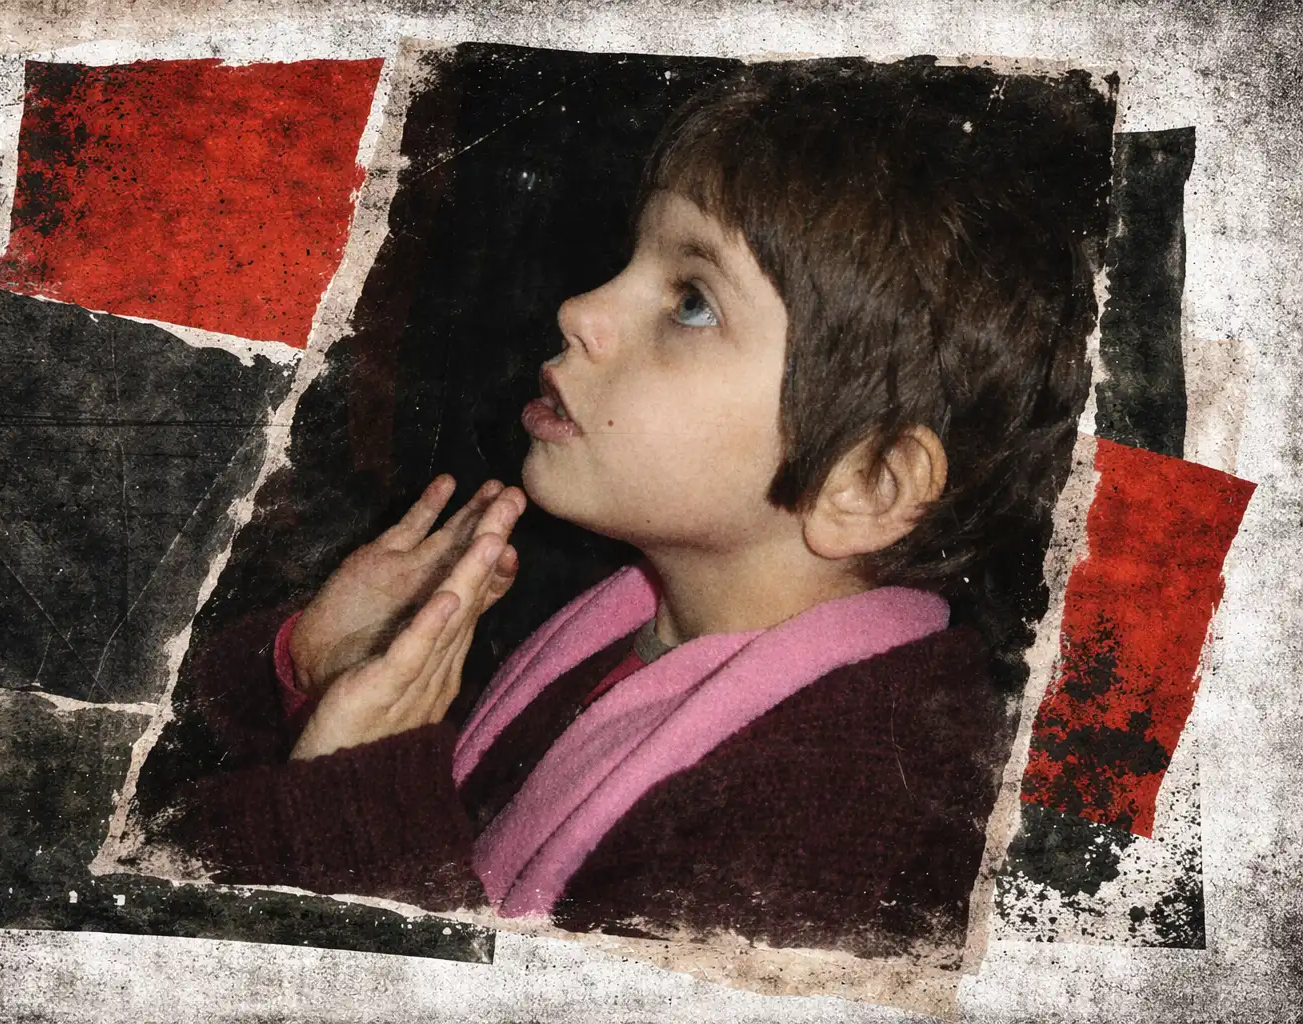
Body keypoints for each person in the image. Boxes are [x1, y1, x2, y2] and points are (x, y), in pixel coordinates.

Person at [168, 59, 1107, 963]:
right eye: (632, 261)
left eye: (692, 302)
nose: (579, 308)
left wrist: (353, 808)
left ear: (866, 484)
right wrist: (328, 680)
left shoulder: (846, 820)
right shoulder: (626, 624)